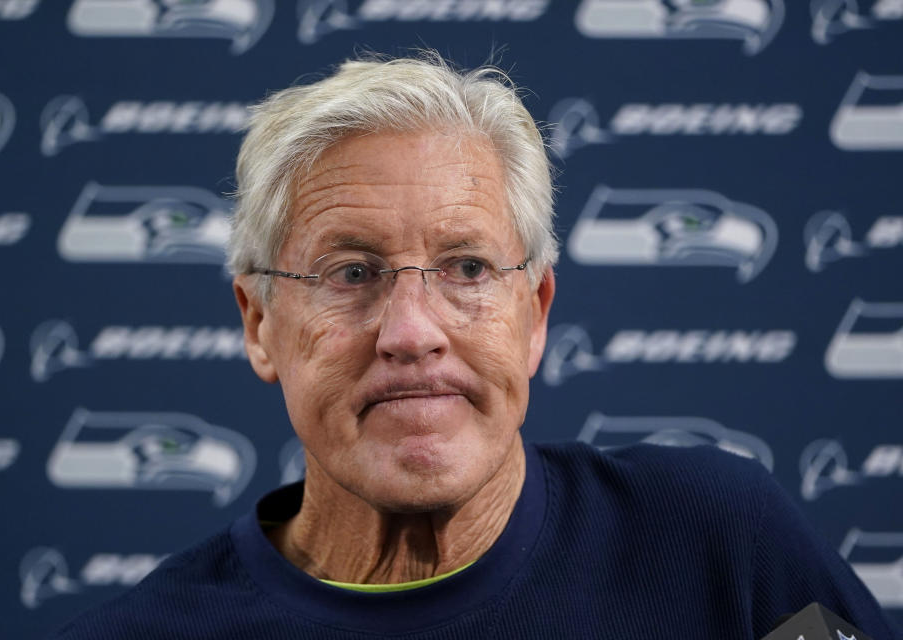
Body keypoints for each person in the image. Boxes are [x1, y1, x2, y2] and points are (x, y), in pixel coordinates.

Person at [50, 52, 901, 640]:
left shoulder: (719, 541)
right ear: (259, 322)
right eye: (351, 273)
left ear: (534, 312)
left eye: (465, 267)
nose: (413, 333)